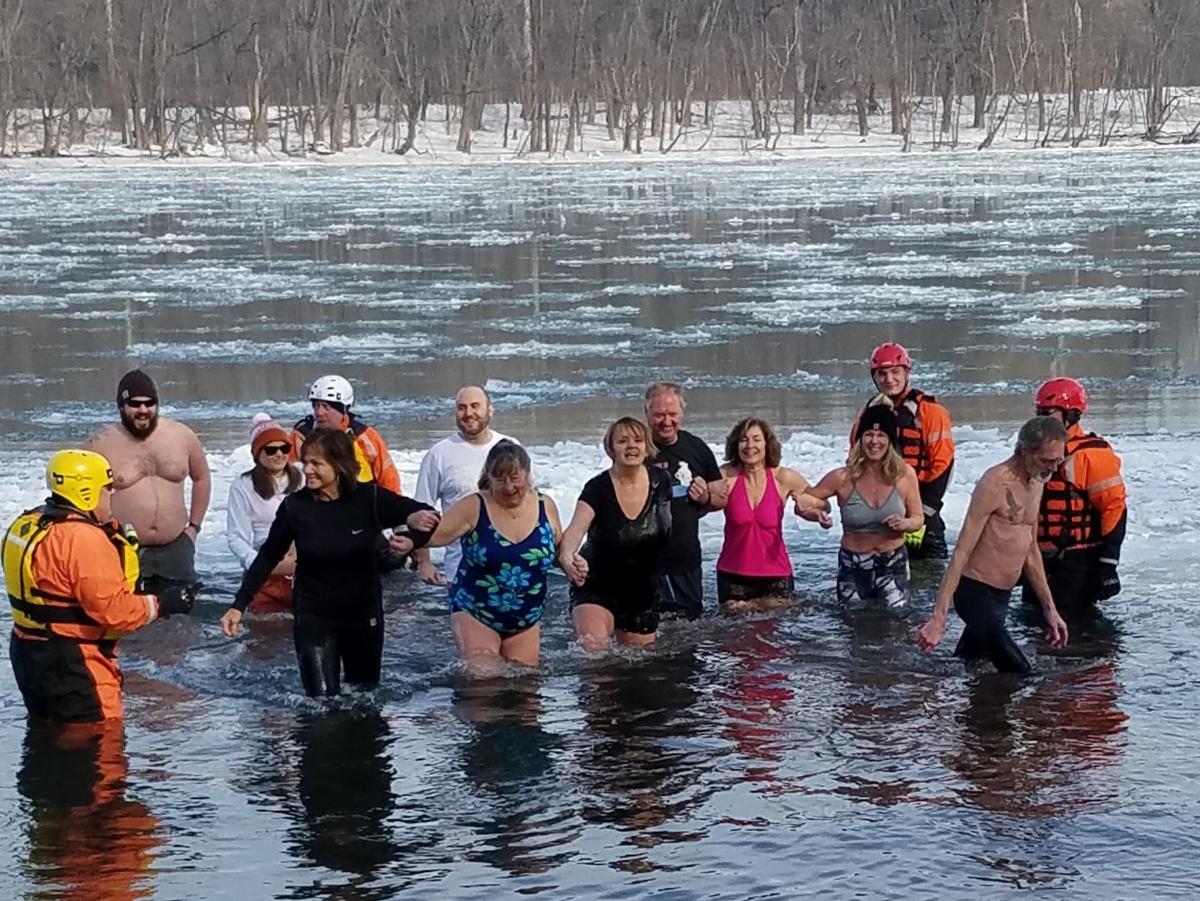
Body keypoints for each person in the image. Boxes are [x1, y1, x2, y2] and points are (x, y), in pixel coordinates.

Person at [220, 429, 439, 697]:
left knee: (364, 698)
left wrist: (412, 539)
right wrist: (238, 605)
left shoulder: (369, 498)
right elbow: (267, 557)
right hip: (314, 616)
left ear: (339, 465)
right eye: (305, 462)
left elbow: (429, 516)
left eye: (316, 463)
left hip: (362, 615)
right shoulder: (295, 507)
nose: (306, 470)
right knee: (320, 705)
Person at [3, 450, 194, 724]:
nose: (111, 495)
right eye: (107, 489)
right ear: (86, 491)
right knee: (102, 746)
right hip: (75, 661)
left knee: (50, 732)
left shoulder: (26, 524)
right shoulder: (84, 539)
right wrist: (164, 603)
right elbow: (114, 612)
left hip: (29, 652)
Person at [916, 417, 1071, 674]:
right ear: (1025, 451)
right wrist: (938, 618)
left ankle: (935, 692)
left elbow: (1030, 550)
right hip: (974, 592)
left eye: (1058, 460)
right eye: (1047, 460)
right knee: (1020, 673)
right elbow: (961, 551)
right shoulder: (995, 483)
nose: (1053, 468)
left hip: (1002, 596)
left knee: (968, 663)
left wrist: (1050, 610)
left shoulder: (1038, 480)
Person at [425, 441, 562, 672]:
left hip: (525, 620)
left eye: (515, 478)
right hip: (476, 611)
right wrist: (411, 545)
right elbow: (432, 536)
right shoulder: (473, 505)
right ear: (489, 478)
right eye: (500, 480)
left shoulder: (545, 505)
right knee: (483, 681)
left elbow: (558, 550)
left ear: (528, 474)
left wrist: (572, 562)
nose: (509, 487)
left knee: (525, 689)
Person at [87, 369, 211, 594]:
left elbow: (201, 478)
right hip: (125, 547)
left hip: (177, 547)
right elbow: (84, 494)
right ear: (121, 406)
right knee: (131, 616)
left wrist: (194, 527)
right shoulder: (100, 443)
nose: (143, 410)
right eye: (135, 404)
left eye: (149, 403)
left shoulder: (182, 436)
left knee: (183, 616)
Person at [559, 417, 672, 650]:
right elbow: (574, 531)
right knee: (595, 653)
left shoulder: (661, 482)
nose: (631, 446)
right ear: (611, 449)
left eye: (638, 440)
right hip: (597, 586)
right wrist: (568, 558)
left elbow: (672, 527)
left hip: (642, 591)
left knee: (637, 669)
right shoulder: (597, 488)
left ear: (646, 446)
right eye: (622, 441)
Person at [804, 402, 924, 608]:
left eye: (881, 436)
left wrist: (905, 524)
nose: (874, 441)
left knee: (896, 626)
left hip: (893, 563)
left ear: (890, 441)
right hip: (853, 565)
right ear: (860, 439)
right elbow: (804, 502)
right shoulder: (841, 477)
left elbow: (918, 519)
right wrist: (817, 514)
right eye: (869, 434)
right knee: (852, 625)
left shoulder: (905, 475)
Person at [1024, 377, 1127, 612]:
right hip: (1037, 561)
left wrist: (1108, 565)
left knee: (1074, 635)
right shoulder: (1029, 453)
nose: (1041, 420)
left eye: (1048, 413)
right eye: (1039, 412)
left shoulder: (1090, 455)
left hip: (1076, 564)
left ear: (1071, 415)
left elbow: (1115, 509)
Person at [707, 417, 825, 611]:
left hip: (776, 575)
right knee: (734, 636)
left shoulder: (783, 478)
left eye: (756, 439)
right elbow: (702, 501)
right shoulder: (727, 476)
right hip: (733, 575)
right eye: (744, 439)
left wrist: (813, 511)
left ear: (767, 443)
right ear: (736, 444)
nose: (750, 445)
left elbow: (822, 504)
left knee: (775, 636)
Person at [852, 343, 954, 559]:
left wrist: (923, 514)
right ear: (875, 377)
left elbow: (943, 463)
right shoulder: (867, 414)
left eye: (895, 372)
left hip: (923, 512)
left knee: (929, 581)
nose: (889, 379)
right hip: (881, 513)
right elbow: (855, 460)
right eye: (882, 374)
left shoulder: (930, 411)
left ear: (906, 373)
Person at [412, 385, 515, 587]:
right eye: (462, 408)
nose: (469, 413)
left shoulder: (511, 447)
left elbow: (529, 501)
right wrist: (424, 562)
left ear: (490, 409)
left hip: (510, 567)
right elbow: (421, 511)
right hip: (460, 570)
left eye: (475, 406)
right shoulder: (439, 454)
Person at [644, 382, 722, 619]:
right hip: (644, 562)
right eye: (658, 415)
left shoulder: (695, 447)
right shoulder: (636, 447)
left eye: (672, 414)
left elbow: (720, 498)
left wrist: (706, 497)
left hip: (685, 559)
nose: (666, 421)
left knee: (689, 627)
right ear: (646, 414)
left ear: (682, 414)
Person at [226, 414, 302, 613]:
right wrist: (257, 564)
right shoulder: (242, 486)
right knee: (264, 633)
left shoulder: (303, 478)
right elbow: (236, 537)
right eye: (271, 450)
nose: (279, 454)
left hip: (302, 567)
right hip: (266, 568)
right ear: (257, 454)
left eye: (284, 448)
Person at [289, 374, 401, 493]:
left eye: (326, 407)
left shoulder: (364, 436)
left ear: (343, 410)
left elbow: (389, 480)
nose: (319, 412)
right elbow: (284, 478)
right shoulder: (300, 437)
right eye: (316, 405)